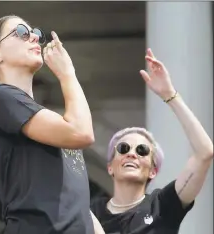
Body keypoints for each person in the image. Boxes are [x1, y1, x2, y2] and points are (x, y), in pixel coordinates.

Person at [0, 15, 103, 234]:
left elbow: (76, 200)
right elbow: (82, 133)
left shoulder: (45, 121)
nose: (34, 38)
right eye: (21, 32)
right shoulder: (0, 98)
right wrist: (67, 74)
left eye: (36, 33)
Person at [90, 48, 213, 234]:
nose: (131, 153)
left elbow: (205, 153)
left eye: (142, 150)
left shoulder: (162, 206)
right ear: (110, 167)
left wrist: (169, 94)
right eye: (123, 148)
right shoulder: (90, 212)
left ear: (153, 171)